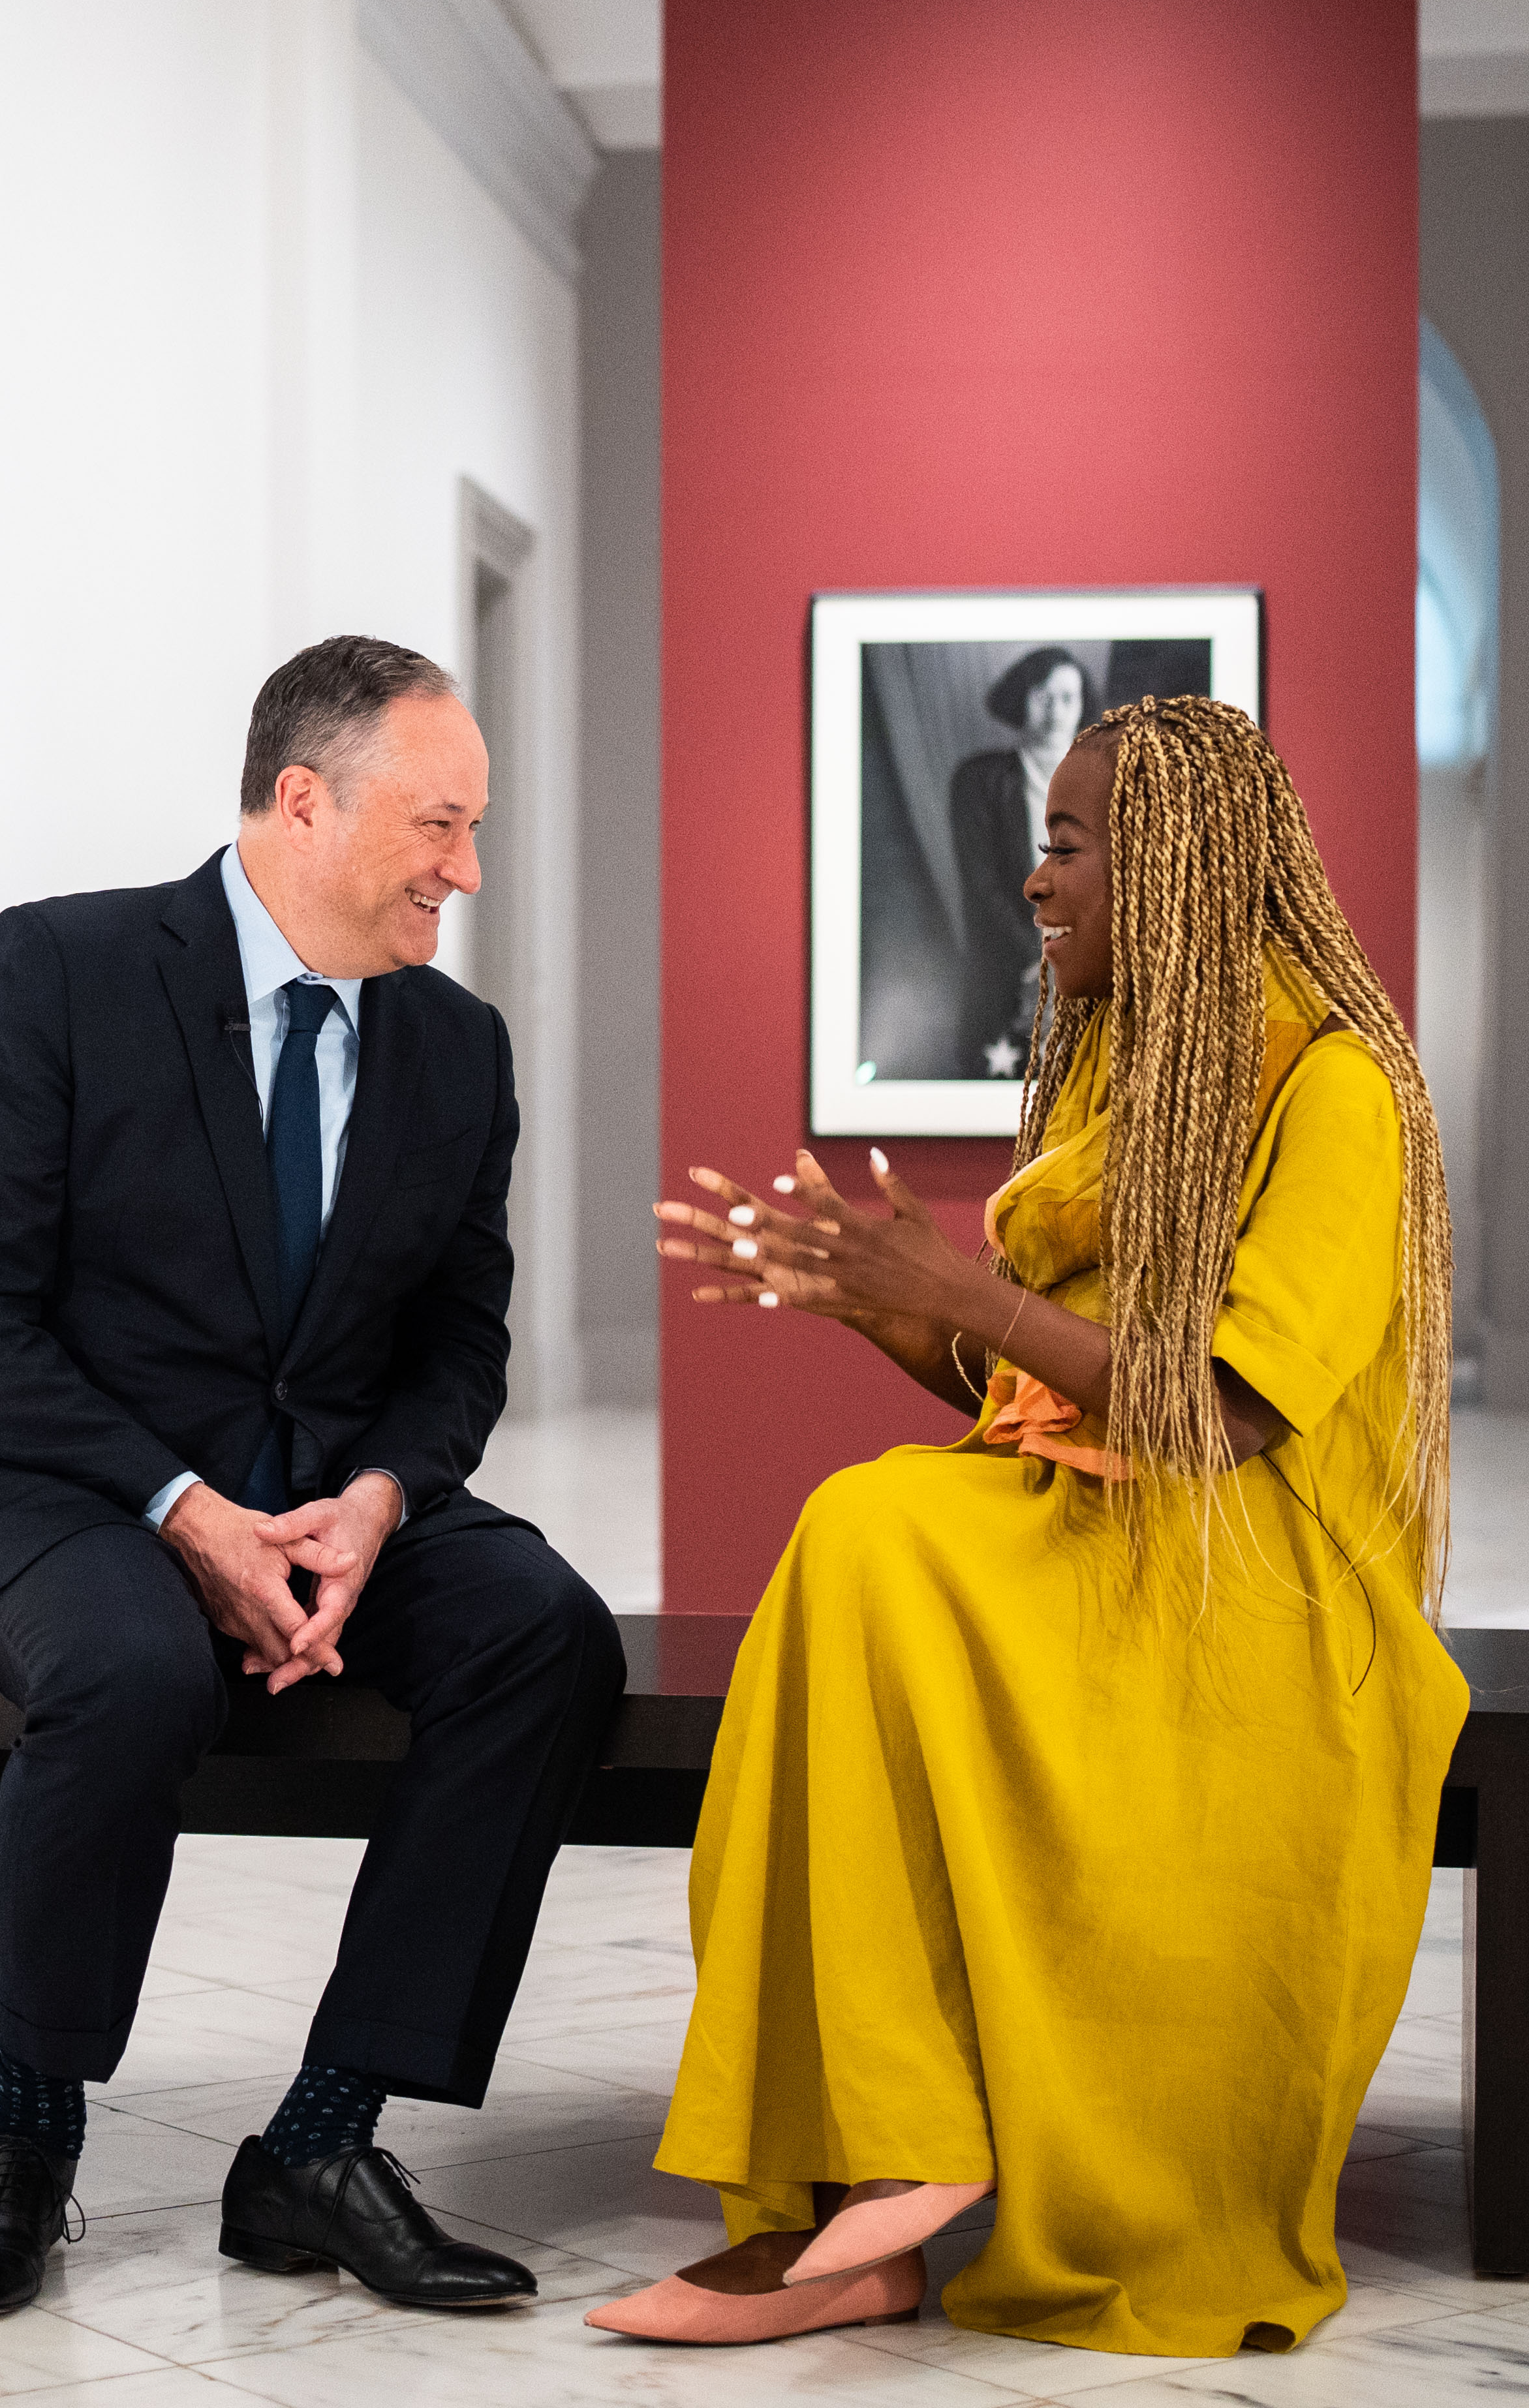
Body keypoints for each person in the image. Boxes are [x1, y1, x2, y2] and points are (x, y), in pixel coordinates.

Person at [590, 692, 1462, 2360]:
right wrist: (892, 1306)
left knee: (870, 1535)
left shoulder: (1343, 1091)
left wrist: (956, 1287)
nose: (1036, 880)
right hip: (1118, 1531)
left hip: (1263, 1579)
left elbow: (1217, 1412)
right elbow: (1051, 1408)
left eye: (1066, 845)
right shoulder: (1135, 1069)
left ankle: (891, 2159)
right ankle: (865, 2178)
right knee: (863, 1545)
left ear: (1178, 869)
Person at [0, 635, 627, 2322]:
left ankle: (320, 2140)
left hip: (329, 1499)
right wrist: (184, 1511)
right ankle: (30, 2127)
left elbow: (460, 1348)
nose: (469, 869)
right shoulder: (60, 970)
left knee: (544, 1636)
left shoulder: (456, 1048)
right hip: (60, 1486)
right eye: (440, 824)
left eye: (477, 826)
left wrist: (379, 1498)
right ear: (307, 801)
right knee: (138, 1670)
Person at [944, 645, 1083, 1078]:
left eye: (1068, 698)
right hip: (1011, 966)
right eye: (1043, 696)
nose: (1056, 711)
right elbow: (980, 884)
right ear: (1020, 699)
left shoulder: (1106, 783)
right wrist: (1039, 957)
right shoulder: (979, 781)